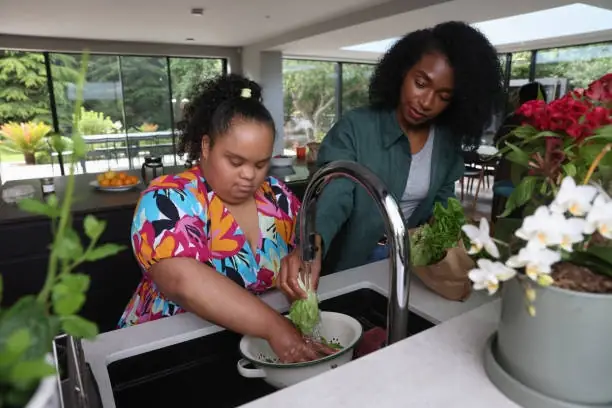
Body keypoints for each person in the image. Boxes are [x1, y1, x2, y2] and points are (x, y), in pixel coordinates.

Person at [278, 21, 503, 300]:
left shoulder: (445, 143)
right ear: (401, 71)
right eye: (421, 83)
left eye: (443, 96)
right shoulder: (356, 128)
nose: (426, 102)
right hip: (349, 267)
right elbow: (333, 196)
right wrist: (308, 249)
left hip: (410, 268)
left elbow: (442, 205)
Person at [118, 74, 334, 363]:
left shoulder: (277, 195)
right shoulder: (167, 199)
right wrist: (274, 328)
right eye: (235, 161)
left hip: (240, 343)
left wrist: (307, 254)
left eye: (260, 164)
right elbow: (184, 281)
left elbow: (309, 234)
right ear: (206, 147)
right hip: (163, 348)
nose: (249, 175)